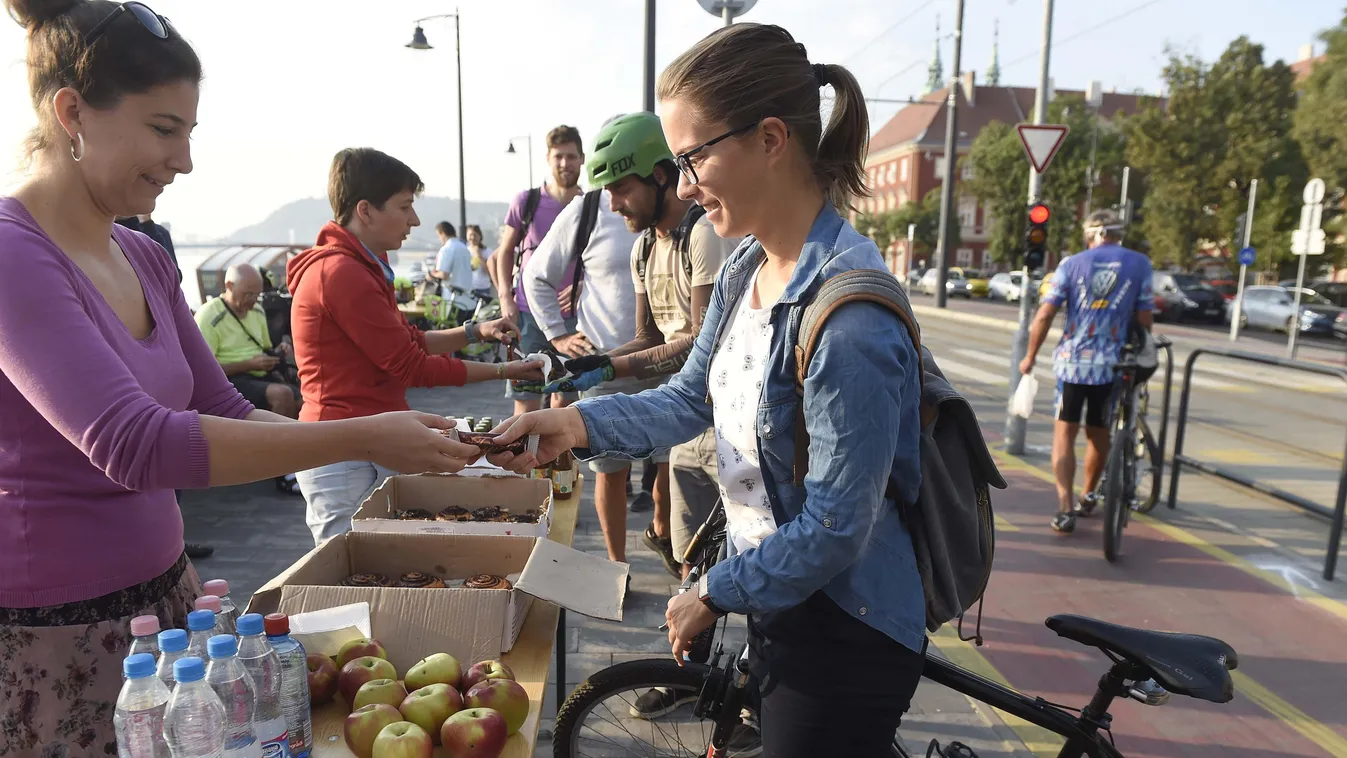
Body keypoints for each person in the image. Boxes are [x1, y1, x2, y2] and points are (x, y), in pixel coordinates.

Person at [0, 2, 486, 754]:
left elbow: (219, 405)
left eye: (189, 133)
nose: (184, 161)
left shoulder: (147, 257)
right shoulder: (13, 254)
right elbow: (133, 444)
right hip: (55, 636)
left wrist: (382, 441)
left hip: (169, 609)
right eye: (164, 129)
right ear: (72, 113)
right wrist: (359, 435)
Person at [489, 24, 925, 757]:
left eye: (691, 157)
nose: (683, 183)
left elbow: (837, 528)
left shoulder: (849, 322)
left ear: (770, 139)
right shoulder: (745, 265)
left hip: (843, 627)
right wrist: (579, 427)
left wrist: (713, 591)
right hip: (781, 595)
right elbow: (691, 400)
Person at [287, 147, 542, 545]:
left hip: (370, 436)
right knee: (347, 562)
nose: (415, 219)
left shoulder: (363, 265)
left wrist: (476, 332)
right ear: (366, 210)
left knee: (387, 555)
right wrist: (503, 371)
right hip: (340, 448)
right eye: (405, 207)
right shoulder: (342, 272)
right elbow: (412, 366)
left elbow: (409, 340)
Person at [543, 111, 740, 580]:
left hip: (718, 413)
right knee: (690, 555)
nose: (613, 205)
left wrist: (612, 370)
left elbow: (697, 341)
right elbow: (649, 338)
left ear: (661, 175)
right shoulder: (644, 247)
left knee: (732, 551)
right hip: (681, 406)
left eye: (621, 189)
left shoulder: (703, 235)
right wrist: (591, 362)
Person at [522, 177, 673, 568]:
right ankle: (615, 565)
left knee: (673, 465)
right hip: (604, 365)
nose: (617, 201)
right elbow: (536, 274)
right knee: (611, 471)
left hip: (672, 358)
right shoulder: (587, 209)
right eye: (612, 187)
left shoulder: (678, 207)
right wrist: (559, 335)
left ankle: (663, 533)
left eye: (624, 186)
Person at [1019, 209, 1154, 534]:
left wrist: (1030, 357)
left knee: (1064, 433)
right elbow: (1145, 318)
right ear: (1117, 234)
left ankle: (1065, 509)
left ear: (1090, 234)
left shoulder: (1071, 264)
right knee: (1099, 432)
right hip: (1113, 365)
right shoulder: (1139, 264)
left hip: (1074, 363)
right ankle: (1089, 494)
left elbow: (1045, 314)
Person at [493, 125, 585, 415]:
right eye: (558, 156)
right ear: (548, 158)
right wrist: (505, 297)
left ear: (582, 159)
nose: (564, 164)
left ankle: (555, 460)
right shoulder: (528, 201)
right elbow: (504, 251)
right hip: (528, 316)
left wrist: (585, 287)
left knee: (564, 402)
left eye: (571, 156)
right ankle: (524, 460)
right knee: (527, 400)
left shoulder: (591, 205)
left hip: (572, 318)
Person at [430, 220, 477, 319]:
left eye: (438, 236)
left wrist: (432, 274)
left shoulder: (446, 249)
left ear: (442, 233)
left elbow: (443, 274)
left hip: (453, 301)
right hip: (469, 301)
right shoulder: (464, 248)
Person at [465, 223, 495, 296]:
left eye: (474, 235)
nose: (472, 237)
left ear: (480, 236)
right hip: (468, 288)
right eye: (470, 235)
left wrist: (479, 256)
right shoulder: (465, 251)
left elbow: (490, 271)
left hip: (483, 288)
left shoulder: (488, 251)